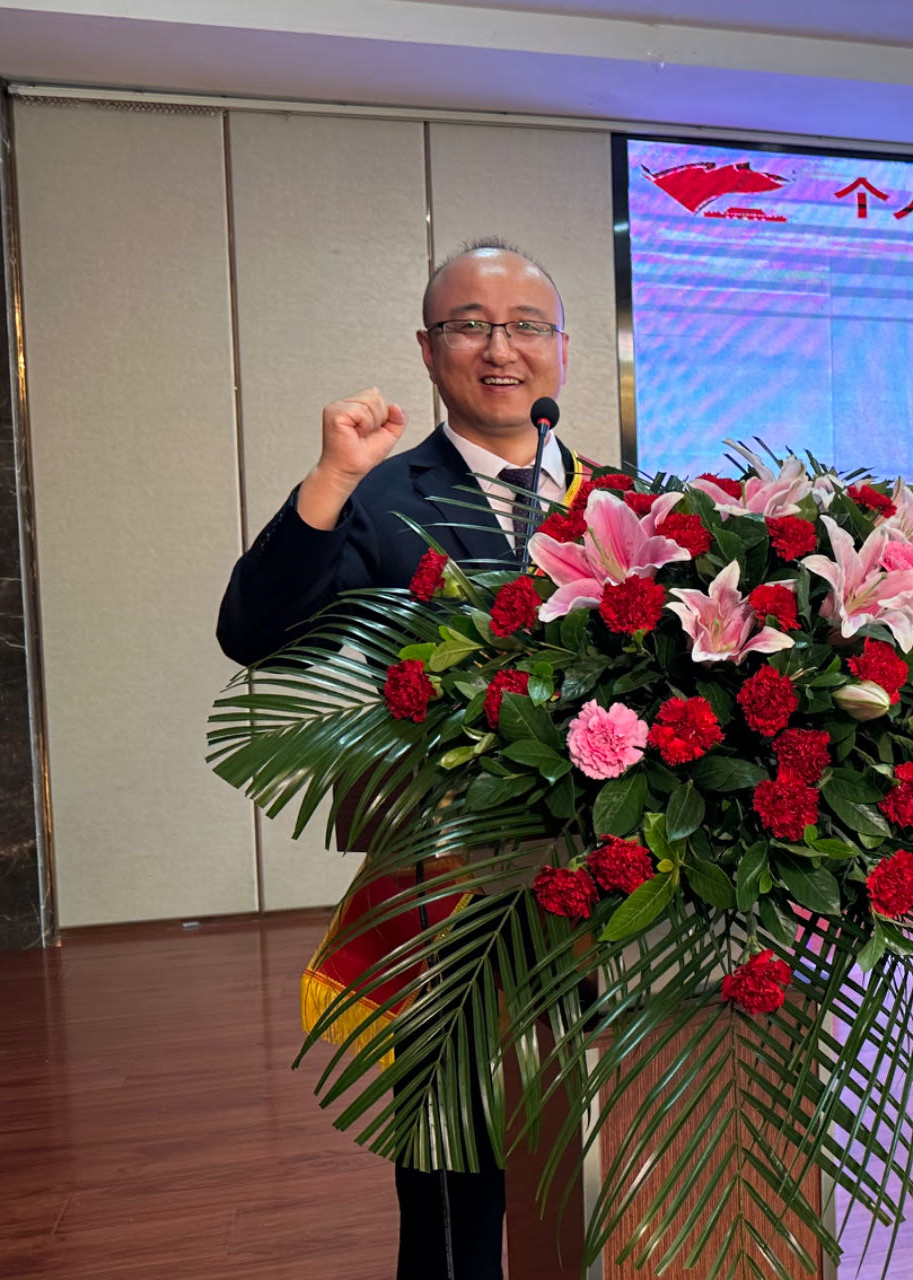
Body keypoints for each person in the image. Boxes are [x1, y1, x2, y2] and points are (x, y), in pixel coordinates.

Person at [218, 238, 592, 1280]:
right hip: (450, 886)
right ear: (429, 351)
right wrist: (332, 475)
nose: (500, 348)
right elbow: (253, 631)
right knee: (453, 1164)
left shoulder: (622, 502)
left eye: (525, 326)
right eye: (469, 325)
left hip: (607, 877)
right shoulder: (379, 495)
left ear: (561, 350)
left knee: (600, 1136)